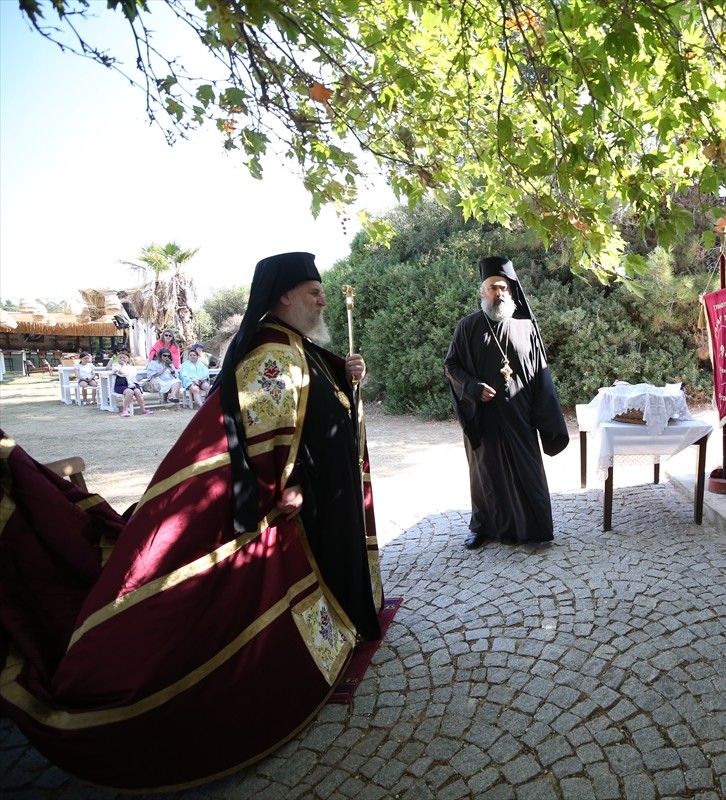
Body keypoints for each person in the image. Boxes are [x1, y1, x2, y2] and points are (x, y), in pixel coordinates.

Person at [0, 252, 383, 791]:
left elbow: (321, 409)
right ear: (283, 298)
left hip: (325, 495)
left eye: (322, 291)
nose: (322, 299)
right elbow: (253, 444)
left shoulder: (301, 346)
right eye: (313, 291)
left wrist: (349, 377)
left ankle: (346, 629)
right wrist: (280, 488)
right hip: (302, 503)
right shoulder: (270, 354)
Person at [445, 256, 569, 550]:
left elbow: (540, 374)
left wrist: (545, 417)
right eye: (491, 287)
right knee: (485, 475)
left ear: (511, 291)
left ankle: (534, 529)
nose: (497, 293)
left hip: (520, 416)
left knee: (527, 473)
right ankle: (484, 527)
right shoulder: (467, 327)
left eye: (502, 287)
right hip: (484, 416)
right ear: (482, 292)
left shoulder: (526, 327)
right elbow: (451, 366)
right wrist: (473, 388)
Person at [110, 350, 150, 416]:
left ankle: (143, 409)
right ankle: (124, 410)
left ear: (128, 359)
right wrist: (123, 365)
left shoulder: (131, 368)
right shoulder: (115, 366)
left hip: (131, 384)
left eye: (124, 358)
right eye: (120, 358)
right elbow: (121, 372)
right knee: (129, 392)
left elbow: (134, 377)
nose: (122, 359)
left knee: (137, 391)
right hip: (121, 385)